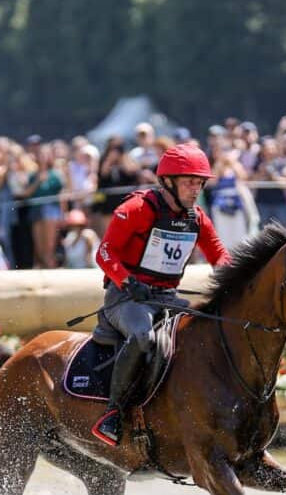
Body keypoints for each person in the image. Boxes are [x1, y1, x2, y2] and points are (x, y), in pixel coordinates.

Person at [91, 144, 231, 446]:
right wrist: (128, 282)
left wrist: (238, 279)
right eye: (189, 183)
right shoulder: (136, 210)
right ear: (168, 182)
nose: (196, 190)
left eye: (200, 183)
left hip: (166, 297)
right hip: (126, 298)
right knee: (144, 337)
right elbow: (104, 253)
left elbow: (218, 255)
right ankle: (113, 414)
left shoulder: (197, 218)